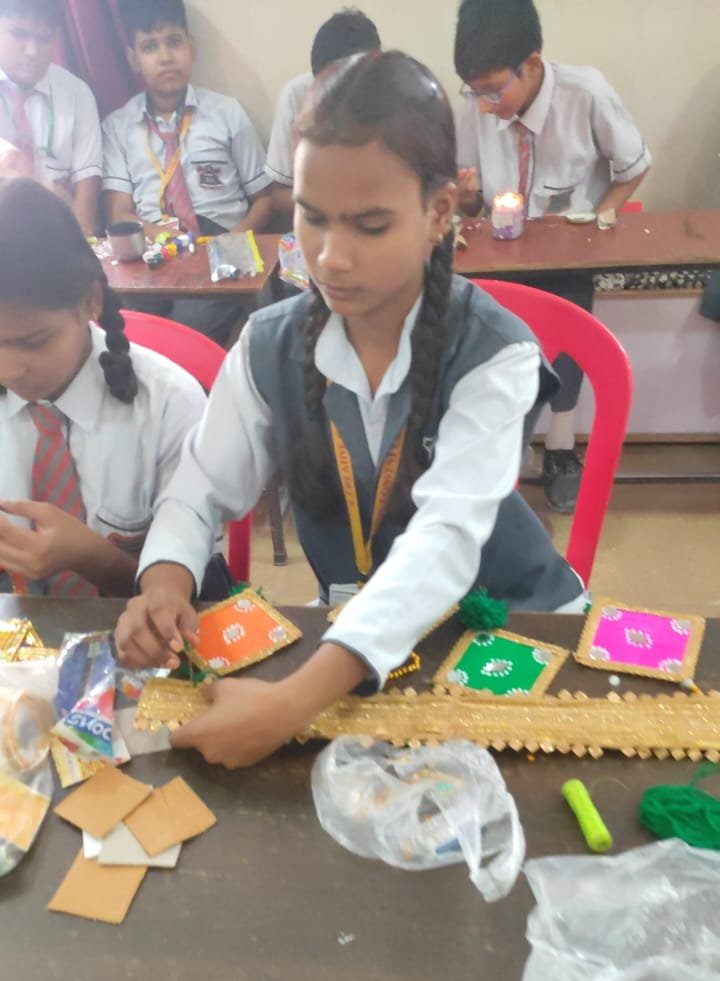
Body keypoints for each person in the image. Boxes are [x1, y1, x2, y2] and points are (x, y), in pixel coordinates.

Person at [115, 51, 585, 770]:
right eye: (312, 218)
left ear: (439, 212)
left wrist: (291, 704)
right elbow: (199, 488)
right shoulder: (269, 344)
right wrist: (165, 582)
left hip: (509, 627)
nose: (330, 258)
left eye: (369, 226)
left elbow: (446, 540)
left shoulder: (495, 354)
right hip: (354, 646)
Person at [454, 0, 651, 512]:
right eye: (475, 92)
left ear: (532, 65)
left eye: (494, 90)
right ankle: (507, 447)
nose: (484, 105)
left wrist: (600, 221)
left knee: (567, 334)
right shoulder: (478, 107)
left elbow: (634, 165)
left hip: (569, 251)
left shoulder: (585, 94)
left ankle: (561, 450)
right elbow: (470, 204)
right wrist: (467, 197)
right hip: (502, 250)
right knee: (492, 344)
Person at [0, 178, 206, 598]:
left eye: (34, 342)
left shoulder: (169, 405)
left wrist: (93, 558)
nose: (8, 370)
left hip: (136, 629)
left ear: (91, 301)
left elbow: (192, 594)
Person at [103, 0, 273, 344]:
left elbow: (265, 199)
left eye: (174, 41)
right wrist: (171, 244)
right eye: (150, 47)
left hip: (220, 238)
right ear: (133, 59)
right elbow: (119, 212)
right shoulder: (118, 126)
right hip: (153, 245)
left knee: (187, 330)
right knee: (127, 327)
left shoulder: (226, 113)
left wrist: (230, 242)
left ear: (191, 48)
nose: (165, 57)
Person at [266, 8, 381, 226]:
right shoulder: (296, 97)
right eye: (326, 85)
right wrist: (330, 210)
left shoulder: (395, 101)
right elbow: (279, 194)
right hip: (317, 224)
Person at [0, 0, 102, 235]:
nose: (32, 51)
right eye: (19, 34)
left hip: (61, 238)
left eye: (44, 39)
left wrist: (78, 252)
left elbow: (85, 204)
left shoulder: (76, 94)